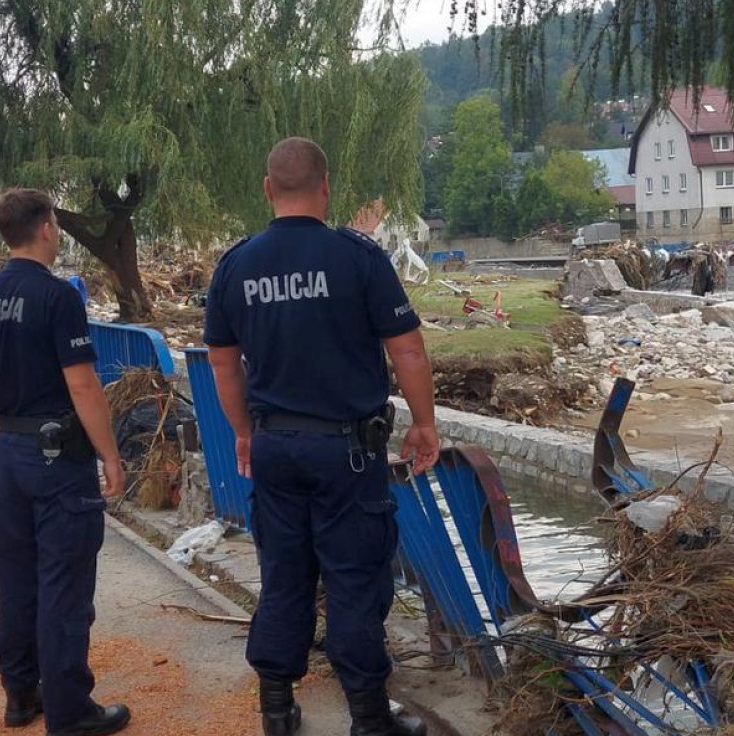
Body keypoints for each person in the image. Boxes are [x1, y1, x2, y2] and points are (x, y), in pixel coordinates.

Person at [203, 137, 440, 736]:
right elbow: (406, 346)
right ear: (326, 187)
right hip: (347, 453)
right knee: (355, 578)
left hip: (275, 446)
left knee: (284, 575)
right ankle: (368, 719)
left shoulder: (236, 265)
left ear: (267, 190)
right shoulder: (356, 258)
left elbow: (223, 364)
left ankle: (277, 710)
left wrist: (241, 433)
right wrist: (424, 422)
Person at [0, 188, 131, 736]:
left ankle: (20, 694)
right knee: (63, 588)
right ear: (44, 228)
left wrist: (2, 430)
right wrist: (110, 454)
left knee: (14, 584)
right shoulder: (57, 297)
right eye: (57, 226)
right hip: (57, 459)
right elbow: (82, 383)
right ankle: (70, 712)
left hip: (7, 454)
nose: (58, 234)